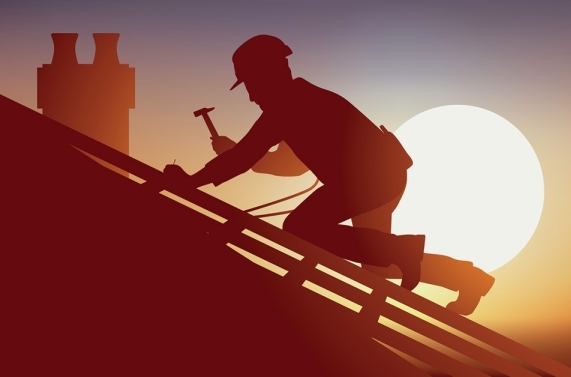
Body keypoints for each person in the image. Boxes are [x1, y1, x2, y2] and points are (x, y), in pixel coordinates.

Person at [165, 35, 494, 314]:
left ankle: (410, 262)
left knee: (304, 229)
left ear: (269, 74)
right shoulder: (299, 101)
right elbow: (270, 160)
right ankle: (465, 278)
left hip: (373, 179)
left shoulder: (290, 105)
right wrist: (230, 159)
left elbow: (250, 158)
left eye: (251, 84)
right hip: (370, 179)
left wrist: (192, 180)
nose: (251, 96)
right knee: (372, 260)